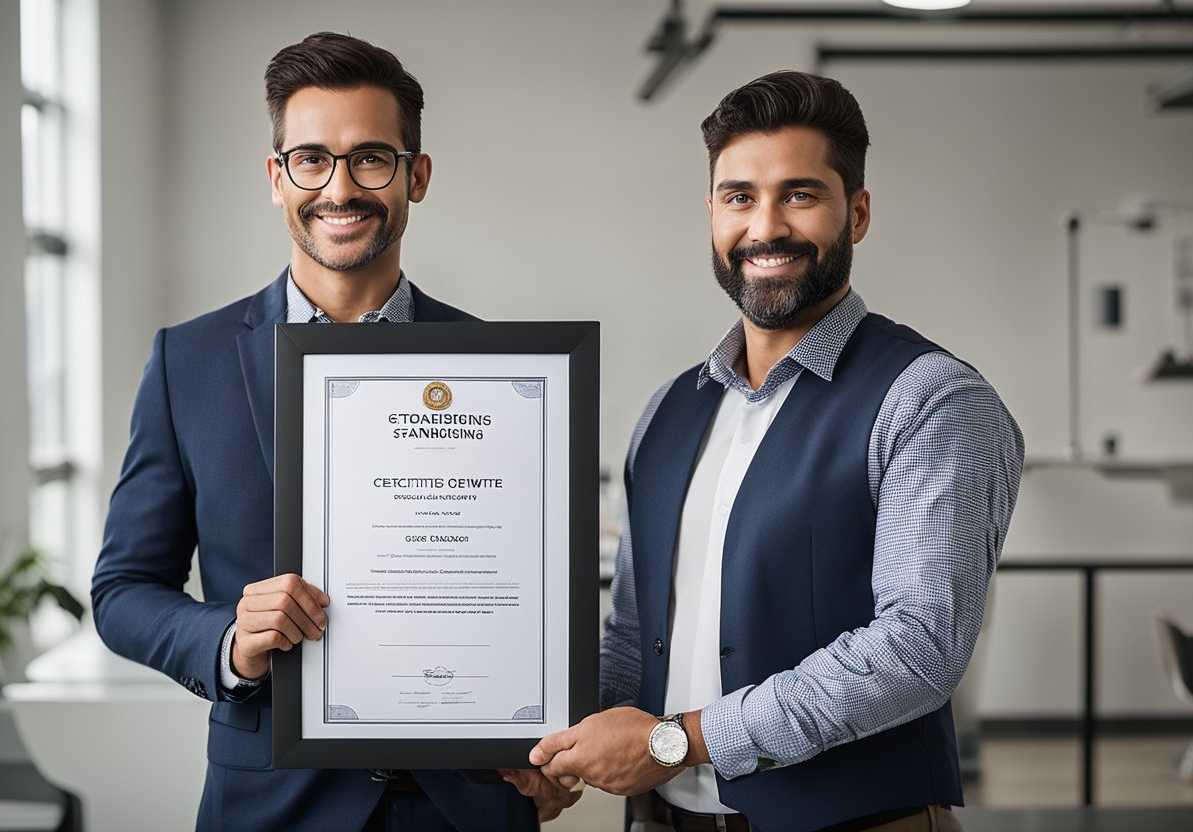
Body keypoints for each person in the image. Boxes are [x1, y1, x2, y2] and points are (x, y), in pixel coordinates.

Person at [91, 31, 575, 832]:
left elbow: (529, 596)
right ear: (277, 179)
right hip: (272, 802)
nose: (339, 187)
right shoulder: (190, 361)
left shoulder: (510, 372)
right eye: (311, 159)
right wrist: (230, 641)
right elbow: (121, 593)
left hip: (471, 803)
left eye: (371, 159)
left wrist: (551, 740)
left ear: (416, 176)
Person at [530, 71, 1024, 832]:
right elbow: (632, 635)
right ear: (711, 213)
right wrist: (555, 746)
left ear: (855, 213)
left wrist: (675, 742)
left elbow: (917, 649)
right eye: (739, 197)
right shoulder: (667, 411)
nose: (765, 227)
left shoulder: (931, 401)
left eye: (799, 194)